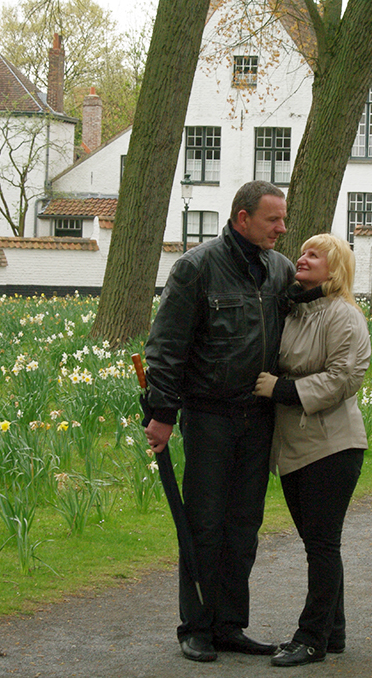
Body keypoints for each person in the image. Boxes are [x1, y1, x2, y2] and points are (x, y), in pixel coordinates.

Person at [143, 180, 294, 663]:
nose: (281, 227)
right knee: (203, 523)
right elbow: (165, 347)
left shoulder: (280, 272)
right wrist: (163, 414)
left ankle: (230, 624)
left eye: (283, 219)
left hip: (259, 418)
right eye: (273, 219)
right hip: (209, 416)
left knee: (244, 524)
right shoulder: (196, 268)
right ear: (242, 218)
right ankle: (197, 626)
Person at [253, 234, 371, 667]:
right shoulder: (297, 311)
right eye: (301, 252)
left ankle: (310, 639)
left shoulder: (343, 316)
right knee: (318, 543)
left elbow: (345, 377)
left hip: (332, 446)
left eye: (313, 255)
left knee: (322, 544)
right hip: (296, 447)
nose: (301, 259)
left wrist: (283, 389)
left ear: (335, 269)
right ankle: (333, 632)